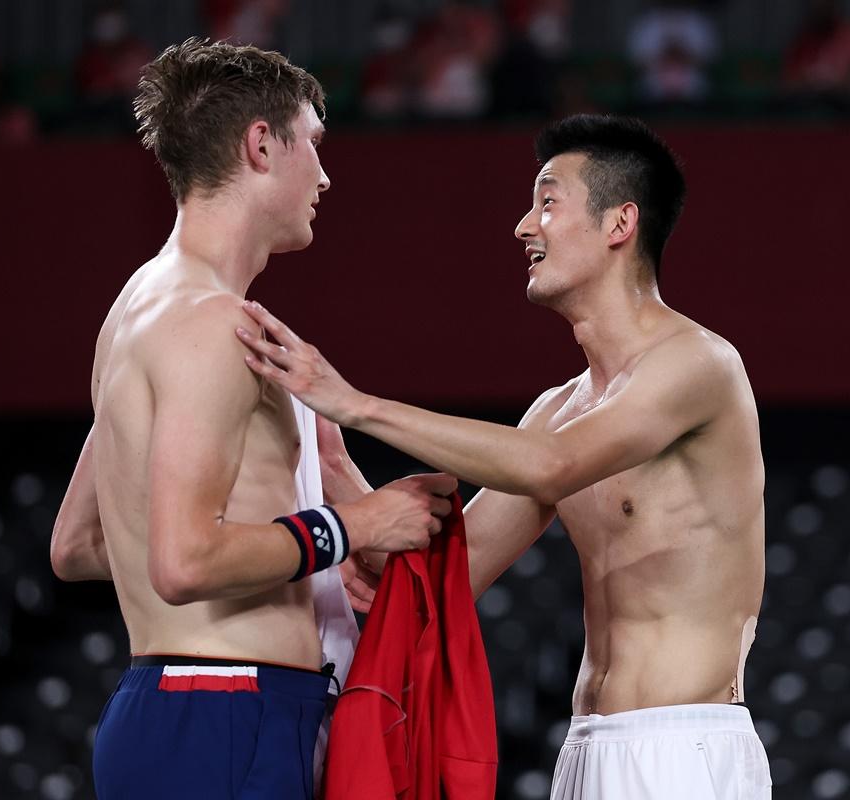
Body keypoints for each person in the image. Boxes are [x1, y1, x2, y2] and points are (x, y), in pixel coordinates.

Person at [236, 114, 772, 798]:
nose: (525, 226)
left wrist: (357, 404)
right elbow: (453, 571)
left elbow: (549, 465)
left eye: (548, 202)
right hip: (584, 749)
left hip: (684, 746)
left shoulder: (700, 364)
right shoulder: (558, 410)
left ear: (620, 224)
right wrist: (334, 466)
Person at [49, 38, 455, 800]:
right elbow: (183, 562)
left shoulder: (139, 306)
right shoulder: (210, 324)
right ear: (261, 145)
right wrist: (353, 529)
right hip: (226, 713)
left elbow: (78, 545)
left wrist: (294, 556)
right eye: (314, 146)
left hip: (190, 711)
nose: (326, 177)